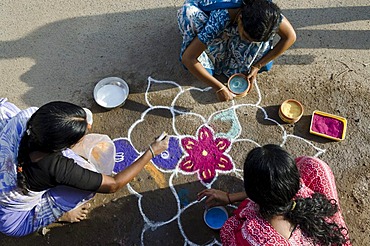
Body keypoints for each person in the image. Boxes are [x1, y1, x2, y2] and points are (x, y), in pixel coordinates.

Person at [0, 98, 169, 237]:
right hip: (11, 218)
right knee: (86, 186)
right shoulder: (54, 167)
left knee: (4, 110)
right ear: (58, 147)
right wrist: (152, 152)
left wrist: (77, 124)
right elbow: (113, 185)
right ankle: (58, 215)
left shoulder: (28, 117)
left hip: (10, 167)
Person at [198, 144, 351, 245]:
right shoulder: (310, 184)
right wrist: (230, 197)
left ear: (254, 195)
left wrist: (235, 202)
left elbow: (228, 233)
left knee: (232, 226)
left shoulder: (255, 235)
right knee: (314, 166)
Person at [177, 0, 296, 101]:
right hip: (204, 12)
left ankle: (237, 42)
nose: (248, 41)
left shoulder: (268, 15)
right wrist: (219, 87)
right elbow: (188, 58)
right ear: (240, 19)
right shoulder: (221, 16)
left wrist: (258, 65)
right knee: (206, 73)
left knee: (265, 64)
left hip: (233, 23)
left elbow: (290, 37)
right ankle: (203, 42)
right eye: (245, 36)